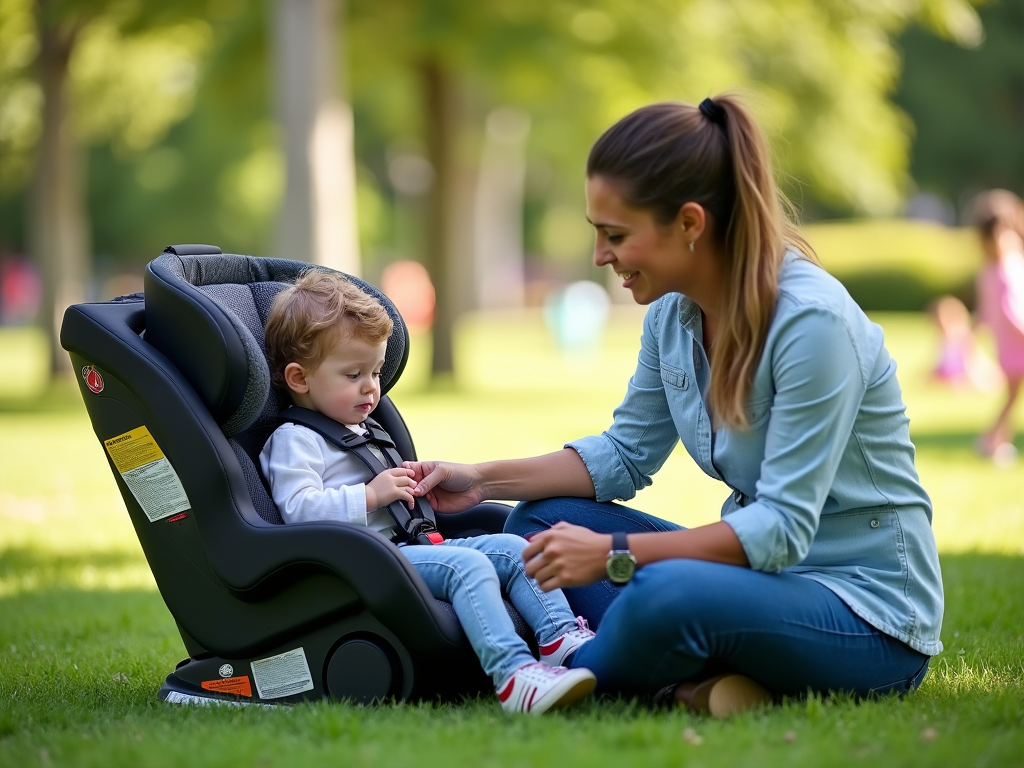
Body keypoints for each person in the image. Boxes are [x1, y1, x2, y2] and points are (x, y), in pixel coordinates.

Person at [404, 95, 944, 718]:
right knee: (540, 523)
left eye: (616, 235)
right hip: (756, 585)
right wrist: (481, 478)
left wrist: (612, 556)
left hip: (864, 615)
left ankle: (546, 672)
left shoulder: (811, 324)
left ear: (689, 224)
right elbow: (626, 454)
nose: (601, 257)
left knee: (664, 593)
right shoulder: (672, 310)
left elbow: (781, 531)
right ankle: (685, 682)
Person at [259, 270, 597, 715]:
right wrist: (372, 495)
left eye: (376, 371)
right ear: (300, 379)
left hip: (405, 547)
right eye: (354, 373)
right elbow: (299, 513)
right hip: (358, 566)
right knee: (469, 566)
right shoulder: (294, 440)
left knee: (515, 547)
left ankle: (561, 639)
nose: (371, 387)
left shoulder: (359, 428)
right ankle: (514, 675)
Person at [971, 189, 1024, 465]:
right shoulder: (1005, 268)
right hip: (1018, 344)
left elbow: (985, 313)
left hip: (1006, 345)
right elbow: (1011, 309)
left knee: (1012, 397)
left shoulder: (989, 270)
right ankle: (992, 439)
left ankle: (997, 441)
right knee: (1012, 397)